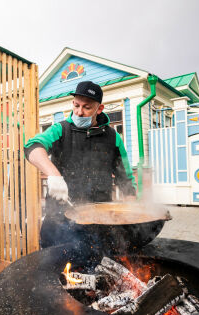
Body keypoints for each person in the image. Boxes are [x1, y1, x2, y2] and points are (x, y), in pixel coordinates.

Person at [24, 81, 136, 248]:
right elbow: (32, 147)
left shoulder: (113, 137)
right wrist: (53, 174)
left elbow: (126, 179)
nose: (79, 112)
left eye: (87, 107)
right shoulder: (60, 129)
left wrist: (133, 214)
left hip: (100, 223)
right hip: (59, 222)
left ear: (99, 109)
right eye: (76, 105)